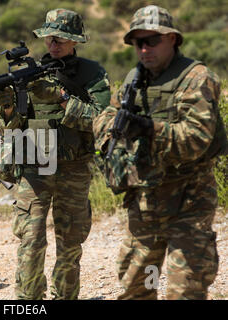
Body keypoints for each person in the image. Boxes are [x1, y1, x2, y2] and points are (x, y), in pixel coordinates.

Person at [93, 5, 227, 299]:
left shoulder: (197, 78)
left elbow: (195, 140)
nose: (144, 49)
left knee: (184, 291)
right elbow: (105, 116)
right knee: (138, 288)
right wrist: (112, 131)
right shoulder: (134, 80)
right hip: (145, 204)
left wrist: (149, 128)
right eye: (138, 43)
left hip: (188, 204)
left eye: (152, 40)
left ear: (172, 40)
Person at [0, 9, 111, 299]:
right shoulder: (28, 75)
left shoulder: (91, 73)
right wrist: (7, 105)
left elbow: (101, 119)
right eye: (49, 39)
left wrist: (59, 97)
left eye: (60, 39)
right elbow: (10, 126)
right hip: (35, 165)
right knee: (30, 238)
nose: (53, 45)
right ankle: (29, 299)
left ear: (75, 41)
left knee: (70, 241)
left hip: (74, 168)